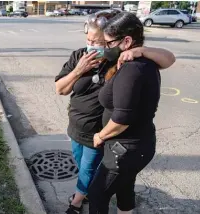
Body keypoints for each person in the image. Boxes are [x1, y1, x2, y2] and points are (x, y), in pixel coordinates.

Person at [54, 10, 175, 214]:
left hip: (101, 133)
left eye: (101, 42)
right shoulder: (79, 56)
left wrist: (140, 51)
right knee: (88, 169)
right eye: (89, 40)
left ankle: (77, 201)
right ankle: (86, 195)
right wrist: (78, 70)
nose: (93, 46)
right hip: (77, 127)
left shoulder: (119, 59)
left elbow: (168, 58)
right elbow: (61, 89)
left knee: (92, 176)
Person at [88, 12, 163, 214]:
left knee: (97, 195)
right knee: (124, 185)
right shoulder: (141, 62)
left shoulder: (133, 69)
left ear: (127, 40)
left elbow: (122, 119)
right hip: (132, 146)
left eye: (109, 43)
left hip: (125, 149)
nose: (106, 48)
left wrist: (100, 135)